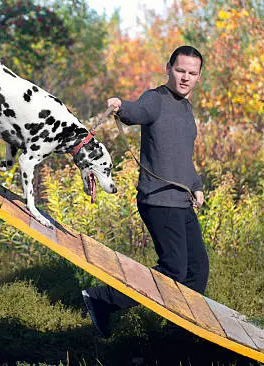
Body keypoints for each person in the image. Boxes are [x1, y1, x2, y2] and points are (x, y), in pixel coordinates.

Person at [81, 45, 208, 339]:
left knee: (197, 270)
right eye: (180, 71)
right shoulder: (157, 99)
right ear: (169, 68)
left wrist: (197, 186)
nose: (185, 78)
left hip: (181, 200)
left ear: (199, 76)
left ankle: (179, 332)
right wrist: (121, 106)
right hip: (158, 201)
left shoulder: (186, 109)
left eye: (192, 73)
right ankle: (103, 299)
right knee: (174, 270)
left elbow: (180, 156)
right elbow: (138, 111)